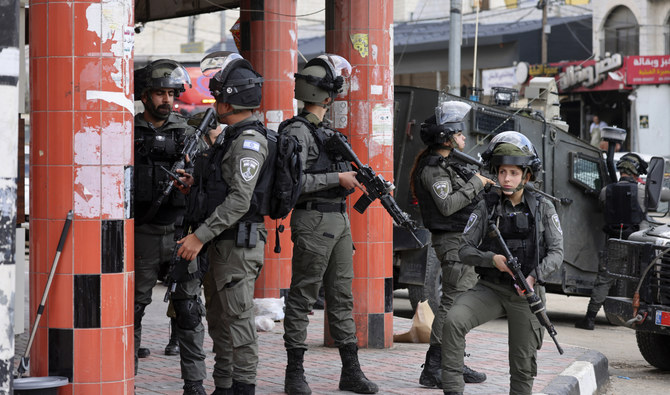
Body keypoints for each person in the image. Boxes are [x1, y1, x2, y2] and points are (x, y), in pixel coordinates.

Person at [281, 54, 378, 395]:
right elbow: (292, 184)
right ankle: (295, 373)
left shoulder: (326, 132)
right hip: (313, 219)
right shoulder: (296, 132)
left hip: (338, 219)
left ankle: (350, 371)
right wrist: (336, 177)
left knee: (341, 296)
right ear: (326, 95)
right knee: (303, 295)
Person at [176, 51, 270, 395]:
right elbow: (223, 189)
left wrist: (198, 237)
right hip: (222, 242)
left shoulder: (248, 141)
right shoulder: (230, 136)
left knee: (239, 322)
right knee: (218, 321)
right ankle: (225, 386)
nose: (215, 103)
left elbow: (239, 200)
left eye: (219, 97)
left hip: (236, 245)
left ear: (232, 100)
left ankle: (243, 388)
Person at [442, 131, 564, 395]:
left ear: (527, 175)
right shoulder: (487, 206)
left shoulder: (543, 207)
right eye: (502, 172)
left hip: (526, 294)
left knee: (522, 365)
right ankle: (452, 389)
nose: (506, 179)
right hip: (491, 288)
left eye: (514, 173)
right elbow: (463, 249)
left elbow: (557, 253)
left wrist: (533, 276)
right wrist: (492, 260)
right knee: (453, 321)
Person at [133, 59, 209, 395]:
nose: (166, 99)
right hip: (142, 234)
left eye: (170, 93)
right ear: (145, 96)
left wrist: (194, 182)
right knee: (133, 308)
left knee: (189, 309)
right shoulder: (127, 131)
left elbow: (209, 186)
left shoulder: (190, 134)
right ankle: (126, 376)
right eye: (159, 93)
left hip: (182, 233)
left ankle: (194, 383)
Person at [409, 101, 492, 388]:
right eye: (459, 133)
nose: (464, 138)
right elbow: (447, 206)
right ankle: (435, 367)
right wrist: (477, 184)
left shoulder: (448, 164)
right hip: (452, 242)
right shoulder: (433, 168)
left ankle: (452, 362)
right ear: (446, 138)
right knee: (453, 303)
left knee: (459, 303)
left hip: (462, 240)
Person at [575, 153, 648, 330]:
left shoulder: (605, 191)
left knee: (604, 280)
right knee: (643, 280)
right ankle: (644, 320)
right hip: (636, 244)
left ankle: (590, 318)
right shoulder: (641, 191)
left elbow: (602, 207)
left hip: (615, 242)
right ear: (635, 171)